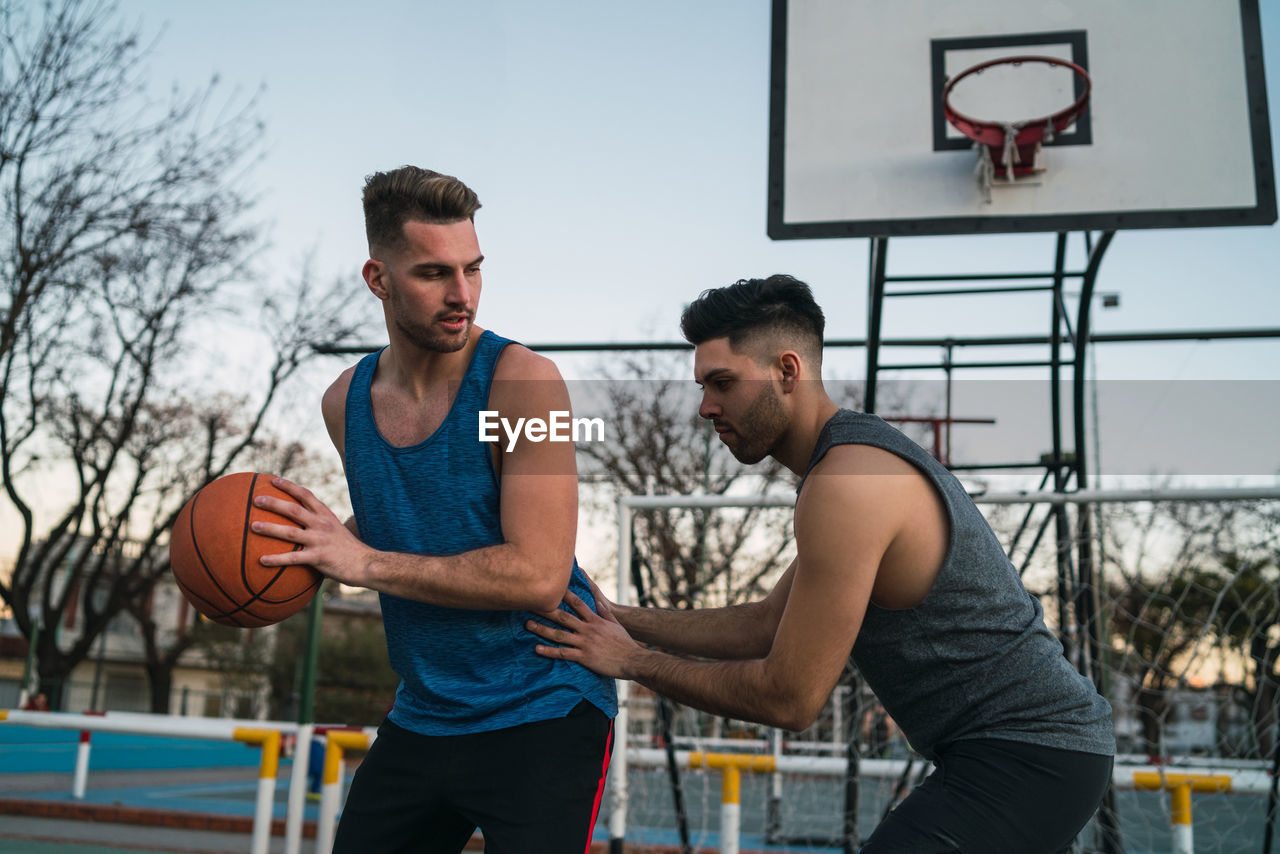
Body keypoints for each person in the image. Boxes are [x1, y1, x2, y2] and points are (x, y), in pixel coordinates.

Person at [526, 275, 1115, 853]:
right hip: (1032, 752)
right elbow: (762, 626)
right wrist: (619, 618)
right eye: (702, 386)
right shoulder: (847, 465)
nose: (706, 407)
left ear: (788, 370)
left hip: (1030, 755)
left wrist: (631, 662)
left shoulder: (847, 483)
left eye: (722, 382)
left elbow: (789, 698)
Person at [251, 166, 617, 853]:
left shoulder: (523, 384)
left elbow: (536, 573)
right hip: (426, 712)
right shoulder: (345, 402)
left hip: (544, 705)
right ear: (378, 278)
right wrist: (307, 544)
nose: (463, 296)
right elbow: (408, 517)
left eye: (473, 269)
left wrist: (361, 560)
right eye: (433, 273)